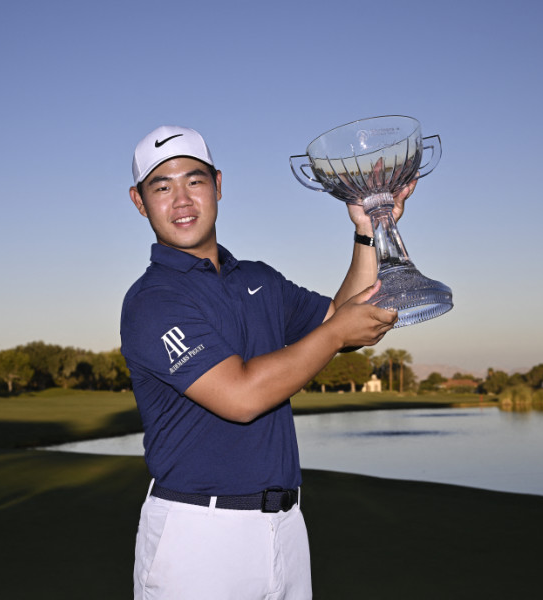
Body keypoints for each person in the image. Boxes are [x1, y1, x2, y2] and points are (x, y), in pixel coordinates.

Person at [120, 125, 413, 599]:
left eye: (193, 181)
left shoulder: (257, 279)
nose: (181, 200)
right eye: (161, 186)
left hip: (286, 527)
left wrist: (368, 229)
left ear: (217, 185)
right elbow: (241, 396)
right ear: (139, 201)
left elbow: (341, 317)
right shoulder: (153, 300)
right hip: (198, 534)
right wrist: (337, 331)